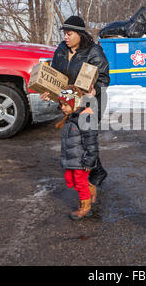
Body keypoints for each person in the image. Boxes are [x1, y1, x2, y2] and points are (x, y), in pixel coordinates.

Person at [41, 15, 109, 187]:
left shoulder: (94, 51)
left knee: (85, 137)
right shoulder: (61, 50)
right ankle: (97, 171)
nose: (66, 37)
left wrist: (96, 89)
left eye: (69, 34)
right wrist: (49, 91)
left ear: (80, 34)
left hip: (91, 101)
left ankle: (91, 176)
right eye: (64, 33)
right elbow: (56, 75)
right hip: (70, 101)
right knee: (78, 138)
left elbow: (104, 77)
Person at [56, 85, 99, 220]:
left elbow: (91, 142)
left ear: (75, 103)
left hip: (81, 160)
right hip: (72, 159)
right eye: (61, 104)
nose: (62, 108)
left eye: (65, 104)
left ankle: (85, 207)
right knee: (70, 180)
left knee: (80, 182)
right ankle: (90, 189)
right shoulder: (71, 116)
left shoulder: (84, 117)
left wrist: (90, 160)